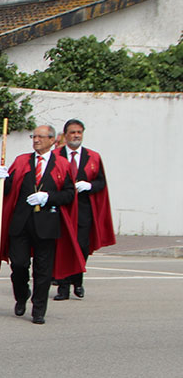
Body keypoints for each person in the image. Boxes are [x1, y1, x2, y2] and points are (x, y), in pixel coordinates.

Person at [0, 125, 85, 325]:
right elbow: (9, 191)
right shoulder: (22, 161)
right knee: (19, 264)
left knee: (43, 270)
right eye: (34, 136)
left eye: (41, 137)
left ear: (53, 140)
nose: (36, 140)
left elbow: (69, 194)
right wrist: (1, 178)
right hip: (21, 222)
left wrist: (48, 197)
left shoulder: (62, 164)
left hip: (47, 224)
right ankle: (22, 295)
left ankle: (39, 308)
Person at [54, 119, 115, 300]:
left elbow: (101, 182)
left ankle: (78, 281)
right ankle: (63, 287)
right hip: (62, 208)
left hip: (83, 209)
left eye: (79, 132)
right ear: (65, 135)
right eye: (72, 132)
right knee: (62, 247)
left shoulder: (93, 157)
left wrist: (89, 185)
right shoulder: (56, 155)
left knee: (81, 246)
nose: (76, 135)